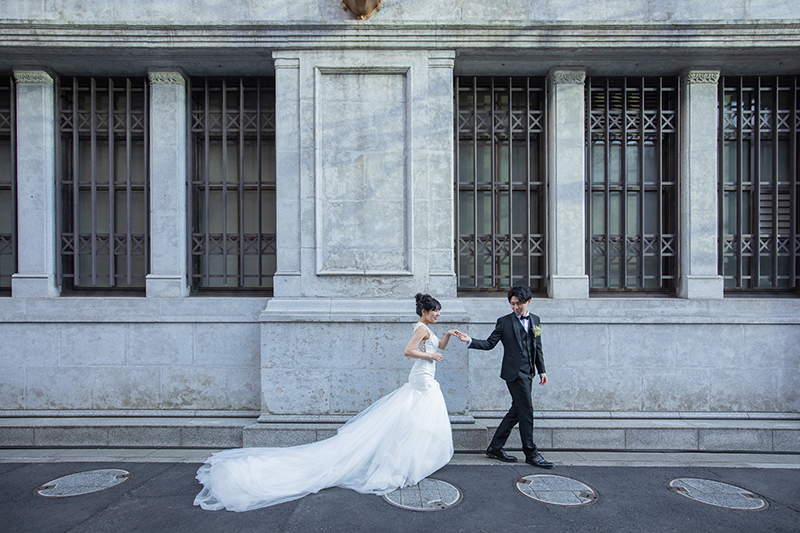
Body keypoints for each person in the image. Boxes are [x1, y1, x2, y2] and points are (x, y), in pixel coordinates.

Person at [194, 293, 458, 511]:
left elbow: (441, 347)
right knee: (414, 421)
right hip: (421, 380)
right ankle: (405, 463)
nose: (437, 314)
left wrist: (447, 335)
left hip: (426, 379)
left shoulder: (429, 329)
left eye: (438, 311)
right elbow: (408, 351)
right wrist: (429, 356)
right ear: (424, 312)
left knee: (414, 422)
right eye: (434, 311)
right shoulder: (420, 328)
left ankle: (410, 461)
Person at [454, 285, 553, 469]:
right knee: (526, 411)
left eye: (519, 304)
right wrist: (470, 341)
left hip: (529, 373)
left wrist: (542, 370)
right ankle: (531, 453)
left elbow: (537, 347)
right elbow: (490, 343)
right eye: (512, 304)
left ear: (529, 302)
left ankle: (495, 447)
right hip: (514, 374)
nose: (515, 307)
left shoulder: (536, 320)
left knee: (517, 410)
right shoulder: (504, 322)